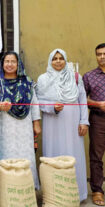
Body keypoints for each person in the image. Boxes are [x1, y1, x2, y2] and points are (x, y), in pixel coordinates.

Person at [36, 48, 89, 202]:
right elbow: (38, 101)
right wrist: (52, 107)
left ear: (65, 60)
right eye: (54, 58)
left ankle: (76, 195)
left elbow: (82, 100)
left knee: (73, 155)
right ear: (50, 61)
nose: (58, 61)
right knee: (54, 154)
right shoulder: (43, 79)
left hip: (73, 124)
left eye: (61, 58)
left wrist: (84, 121)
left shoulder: (75, 78)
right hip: (52, 123)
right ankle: (54, 197)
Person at [0, 51, 41, 189]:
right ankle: (5, 188)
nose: (10, 64)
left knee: (25, 156)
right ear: (2, 64)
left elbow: (34, 102)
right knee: (4, 154)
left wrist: (36, 122)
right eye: (7, 61)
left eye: (13, 61)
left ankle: (26, 187)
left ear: (18, 64)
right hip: (3, 125)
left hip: (23, 126)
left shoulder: (27, 82)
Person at [83, 43, 105, 206]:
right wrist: (98, 104)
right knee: (96, 157)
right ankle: (97, 190)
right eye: (99, 54)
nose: (102, 57)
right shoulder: (89, 76)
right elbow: (82, 100)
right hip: (98, 119)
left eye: (104, 54)